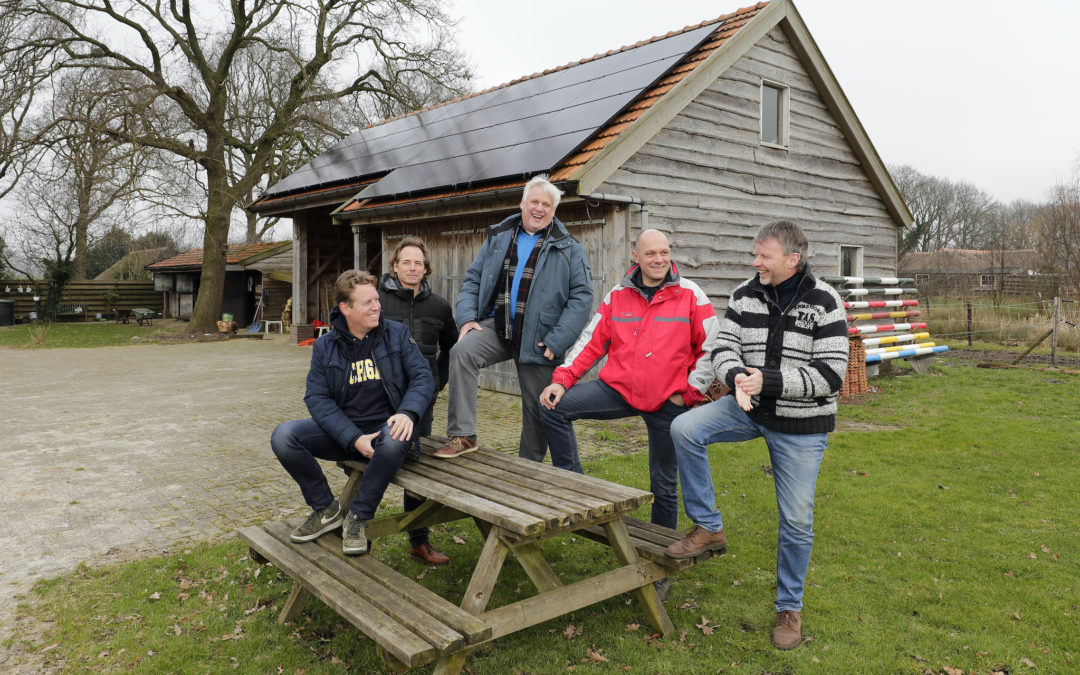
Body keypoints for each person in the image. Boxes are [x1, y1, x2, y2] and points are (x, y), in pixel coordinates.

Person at [664, 220, 848, 650]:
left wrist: (766, 381)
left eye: (764, 256)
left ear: (792, 259)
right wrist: (735, 378)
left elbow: (831, 374)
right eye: (756, 254)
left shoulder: (825, 303)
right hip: (749, 408)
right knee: (685, 428)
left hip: (801, 423)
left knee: (797, 520)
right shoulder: (746, 294)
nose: (756, 262)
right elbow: (723, 347)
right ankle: (708, 526)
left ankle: (789, 607)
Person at [538, 229, 719, 518]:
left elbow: (711, 348)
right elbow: (590, 342)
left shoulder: (691, 295)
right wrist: (562, 380)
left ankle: (661, 547)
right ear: (636, 256)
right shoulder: (618, 295)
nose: (659, 259)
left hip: (667, 400)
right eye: (651, 253)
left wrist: (688, 394)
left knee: (663, 483)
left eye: (664, 252)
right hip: (619, 390)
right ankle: (576, 490)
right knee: (552, 406)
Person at [271, 270, 434, 557]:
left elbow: (423, 377)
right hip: (345, 434)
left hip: (390, 433)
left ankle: (358, 518)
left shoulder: (396, 334)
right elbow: (317, 397)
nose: (377, 306)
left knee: (395, 436)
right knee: (284, 436)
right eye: (367, 302)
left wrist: (408, 413)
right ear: (346, 308)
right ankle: (325, 509)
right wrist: (353, 438)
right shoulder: (324, 346)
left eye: (376, 299)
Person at [433, 174, 593, 462]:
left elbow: (581, 298)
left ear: (554, 210)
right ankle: (464, 435)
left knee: (537, 411)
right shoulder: (499, 236)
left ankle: (527, 468)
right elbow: (472, 279)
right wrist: (468, 317)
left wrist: (558, 340)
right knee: (462, 352)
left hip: (541, 337)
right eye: (534, 201)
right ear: (522, 203)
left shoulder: (569, 247)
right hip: (499, 326)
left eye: (547, 204)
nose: (539, 208)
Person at [377, 236, 456, 565]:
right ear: (394, 266)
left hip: (421, 401)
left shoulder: (439, 306)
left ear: (426, 270)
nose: (412, 267)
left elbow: (452, 347)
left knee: (415, 468)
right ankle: (359, 531)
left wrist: (437, 383)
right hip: (380, 398)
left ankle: (418, 541)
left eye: (418, 263)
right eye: (406, 262)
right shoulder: (377, 300)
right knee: (374, 463)